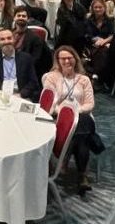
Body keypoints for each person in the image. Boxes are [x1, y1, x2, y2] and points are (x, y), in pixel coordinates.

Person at [41, 46, 98, 192]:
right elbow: (50, 103)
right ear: (58, 61)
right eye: (63, 58)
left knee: (82, 124)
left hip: (82, 115)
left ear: (75, 59)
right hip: (59, 117)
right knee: (83, 136)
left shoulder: (84, 79)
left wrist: (75, 112)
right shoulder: (51, 78)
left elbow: (90, 104)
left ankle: (64, 158)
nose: (67, 61)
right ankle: (82, 174)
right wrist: (65, 113)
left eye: (70, 58)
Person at [0, 29, 40, 101]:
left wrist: (21, 94)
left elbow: (33, 82)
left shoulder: (26, 58)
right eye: (2, 39)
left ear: (14, 39)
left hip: (20, 96)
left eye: (9, 38)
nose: (6, 42)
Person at [83, 0, 115, 82]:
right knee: (102, 52)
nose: (98, 9)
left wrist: (104, 41)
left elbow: (112, 35)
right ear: (92, 8)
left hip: (105, 43)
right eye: (95, 7)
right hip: (90, 43)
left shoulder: (110, 19)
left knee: (104, 50)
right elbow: (85, 34)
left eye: (100, 7)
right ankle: (98, 75)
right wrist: (95, 39)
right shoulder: (88, 18)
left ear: (104, 8)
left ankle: (95, 74)